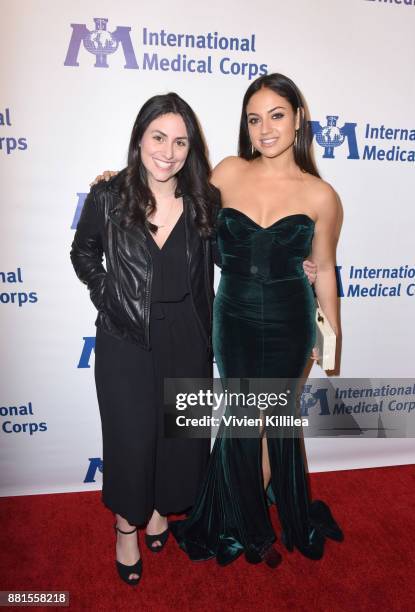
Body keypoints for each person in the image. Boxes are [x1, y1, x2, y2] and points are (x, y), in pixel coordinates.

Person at [170, 73, 343, 567]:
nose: (265, 128)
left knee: (272, 421)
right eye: (254, 118)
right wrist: (114, 184)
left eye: (276, 115)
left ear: (298, 120)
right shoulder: (226, 171)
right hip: (236, 316)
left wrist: (329, 335)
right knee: (245, 422)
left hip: (291, 322)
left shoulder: (320, 195)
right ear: (244, 126)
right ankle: (242, 518)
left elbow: (325, 269)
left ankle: (239, 521)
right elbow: (173, 200)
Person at [70, 93, 218, 586]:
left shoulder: (204, 201)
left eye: (180, 141)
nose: (168, 151)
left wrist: (294, 267)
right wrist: (107, 294)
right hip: (126, 336)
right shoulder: (109, 195)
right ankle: (125, 526)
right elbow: (83, 252)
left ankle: (160, 508)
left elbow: (231, 261)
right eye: (159, 137)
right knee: (131, 437)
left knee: (178, 438)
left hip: (189, 335)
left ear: (190, 148)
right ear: (139, 139)